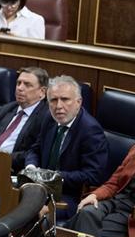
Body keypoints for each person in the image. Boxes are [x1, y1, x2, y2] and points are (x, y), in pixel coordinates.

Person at [67, 110, 135, 237]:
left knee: (89, 233)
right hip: (114, 201)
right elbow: (114, 183)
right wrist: (94, 195)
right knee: (86, 212)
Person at [22, 76, 110, 215]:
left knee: (33, 211)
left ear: (78, 102)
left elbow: (93, 176)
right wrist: (31, 167)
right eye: (54, 100)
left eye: (65, 99)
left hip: (68, 196)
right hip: (39, 189)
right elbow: (35, 149)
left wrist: (54, 177)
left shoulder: (90, 130)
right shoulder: (49, 119)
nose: (58, 106)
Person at [0, 66, 51, 172]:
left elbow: (33, 153)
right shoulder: (8, 108)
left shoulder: (46, 117)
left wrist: (0, 159)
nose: (20, 88)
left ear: (42, 92)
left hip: (12, 171)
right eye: (18, 83)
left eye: (27, 85)